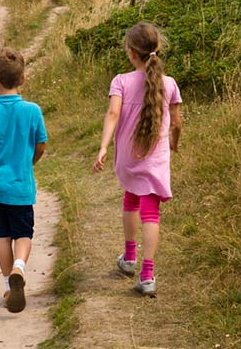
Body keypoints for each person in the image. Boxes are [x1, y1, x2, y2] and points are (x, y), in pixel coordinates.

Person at [92, 22, 182, 297]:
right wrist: (175, 145)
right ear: (157, 49)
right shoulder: (169, 84)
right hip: (155, 158)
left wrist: (103, 147)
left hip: (128, 157)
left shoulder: (120, 81)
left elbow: (112, 115)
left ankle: (129, 258)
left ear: (131, 53)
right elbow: (177, 123)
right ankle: (147, 274)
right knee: (151, 213)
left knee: (130, 198)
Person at [0, 47, 48, 313]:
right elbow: (40, 145)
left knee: (2, 237)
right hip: (20, 186)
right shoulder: (33, 111)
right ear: (23, 78)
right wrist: (28, 163)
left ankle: (7, 283)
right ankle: (20, 268)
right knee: (24, 233)